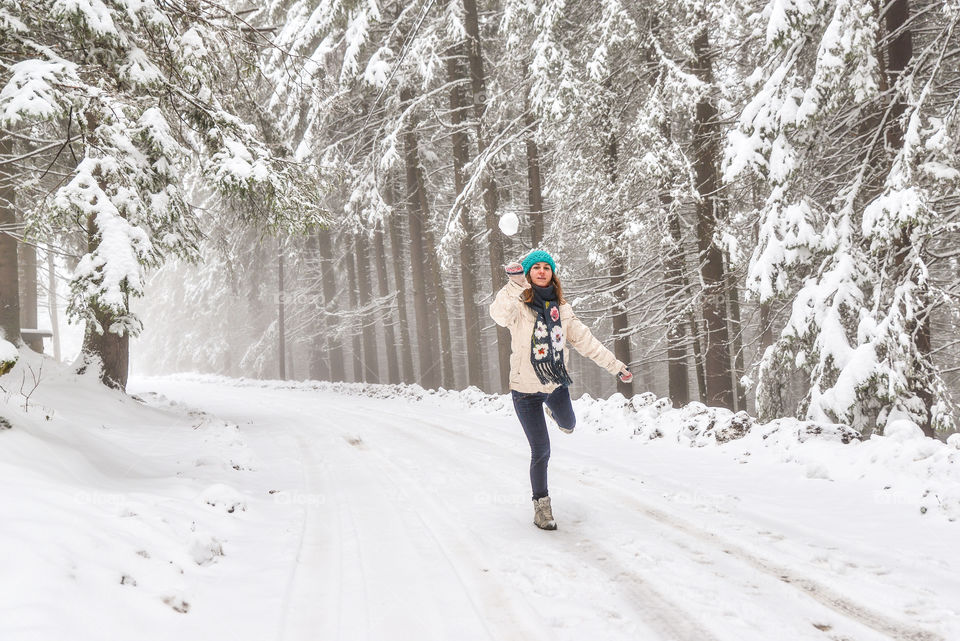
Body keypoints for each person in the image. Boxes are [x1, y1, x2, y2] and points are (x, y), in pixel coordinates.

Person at [490, 249, 633, 530]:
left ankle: (556, 413)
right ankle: (541, 506)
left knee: (569, 424)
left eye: (547, 267)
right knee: (541, 450)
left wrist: (616, 366)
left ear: (552, 273)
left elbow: (588, 343)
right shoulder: (517, 306)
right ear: (528, 274)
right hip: (525, 392)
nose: (542, 271)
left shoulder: (563, 311)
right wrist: (515, 285)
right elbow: (497, 314)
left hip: (555, 385)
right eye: (535, 268)